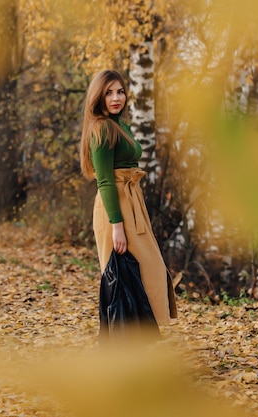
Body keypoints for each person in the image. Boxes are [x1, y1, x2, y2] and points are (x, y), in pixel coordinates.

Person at [80, 70, 177, 327]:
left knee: (151, 271)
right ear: (98, 97)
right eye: (109, 92)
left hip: (132, 202)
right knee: (123, 278)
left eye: (120, 91)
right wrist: (117, 226)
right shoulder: (101, 128)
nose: (116, 98)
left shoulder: (120, 125)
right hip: (116, 208)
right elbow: (104, 181)